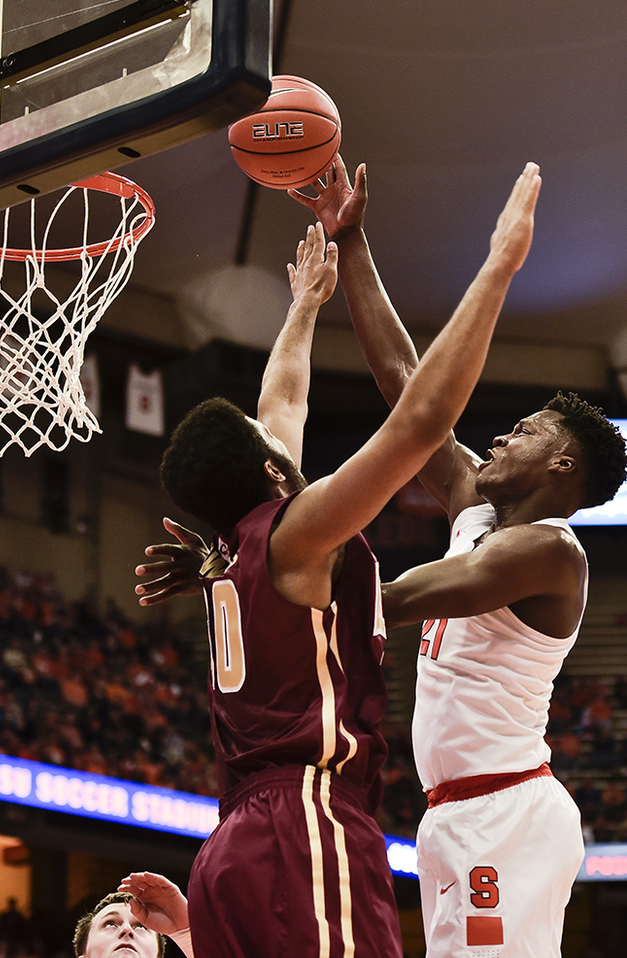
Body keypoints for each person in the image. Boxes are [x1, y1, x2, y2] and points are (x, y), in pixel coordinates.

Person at [138, 167, 542, 958]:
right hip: (306, 820)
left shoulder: (241, 544)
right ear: (268, 474)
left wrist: (304, 308)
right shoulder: (295, 531)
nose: (280, 434)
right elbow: (421, 420)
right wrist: (498, 265)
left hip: (238, 843)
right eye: (272, 449)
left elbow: (280, 403)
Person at [287, 156, 627, 957]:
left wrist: (289, 553)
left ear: (562, 469)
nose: (505, 433)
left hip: (506, 814)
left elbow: (415, 594)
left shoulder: (553, 554)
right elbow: (410, 388)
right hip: (455, 813)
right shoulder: (479, 506)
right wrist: (354, 238)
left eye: (530, 430)